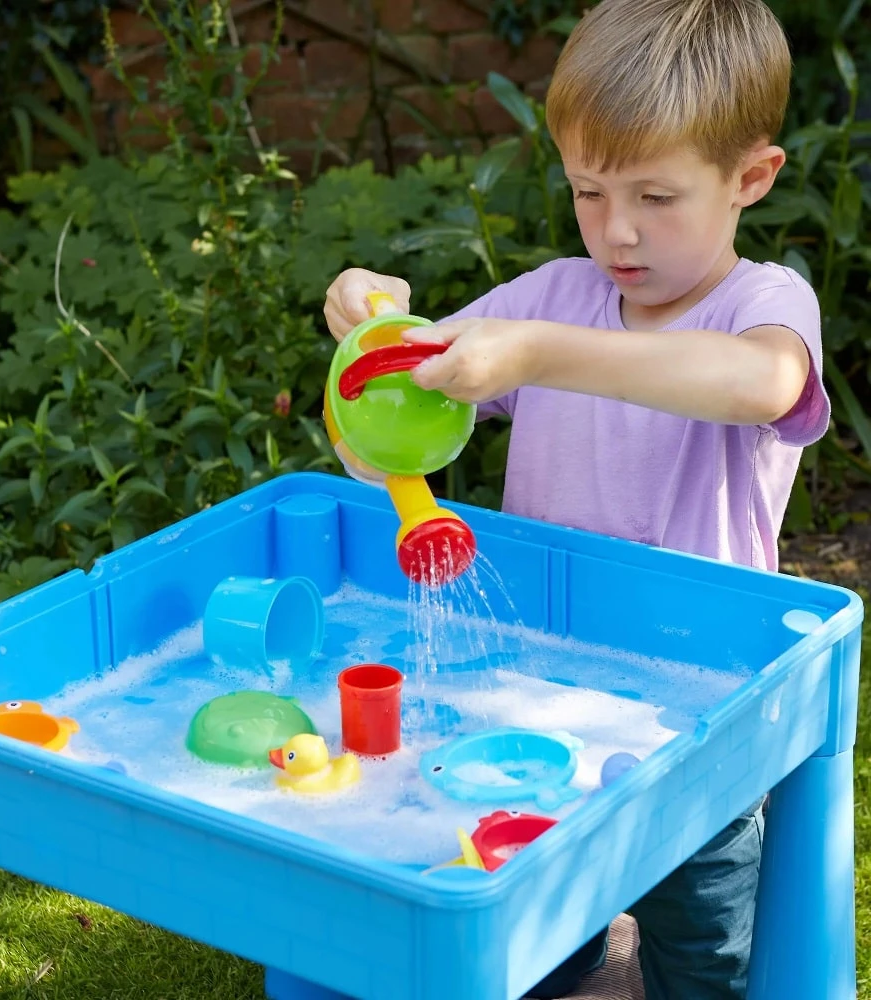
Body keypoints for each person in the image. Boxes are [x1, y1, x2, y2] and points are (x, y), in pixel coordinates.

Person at [322, 1, 830, 997]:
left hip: (700, 714)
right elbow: (381, 434)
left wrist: (544, 355)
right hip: (536, 692)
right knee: (536, 943)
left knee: (702, 955)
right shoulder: (551, 297)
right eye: (588, 192)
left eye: (655, 195)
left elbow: (761, 384)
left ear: (750, 178)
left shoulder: (763, 304)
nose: (617, 230)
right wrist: (369, 348)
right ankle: (587, 958)